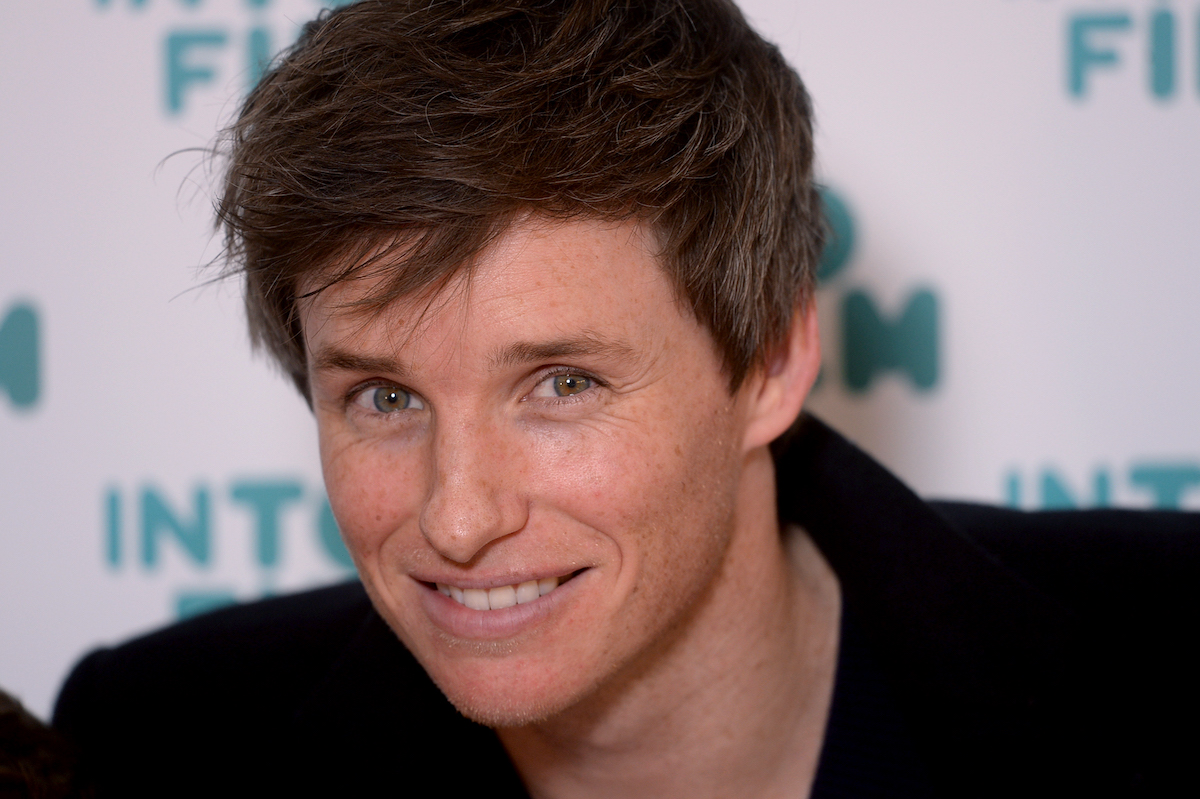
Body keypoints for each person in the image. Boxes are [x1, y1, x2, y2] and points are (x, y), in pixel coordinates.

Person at [52, 0, 1198, 796]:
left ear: (769, 362)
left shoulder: (1170, 657)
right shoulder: (160, 747)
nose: (458, 516)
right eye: (387, 398)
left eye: (561, 382)